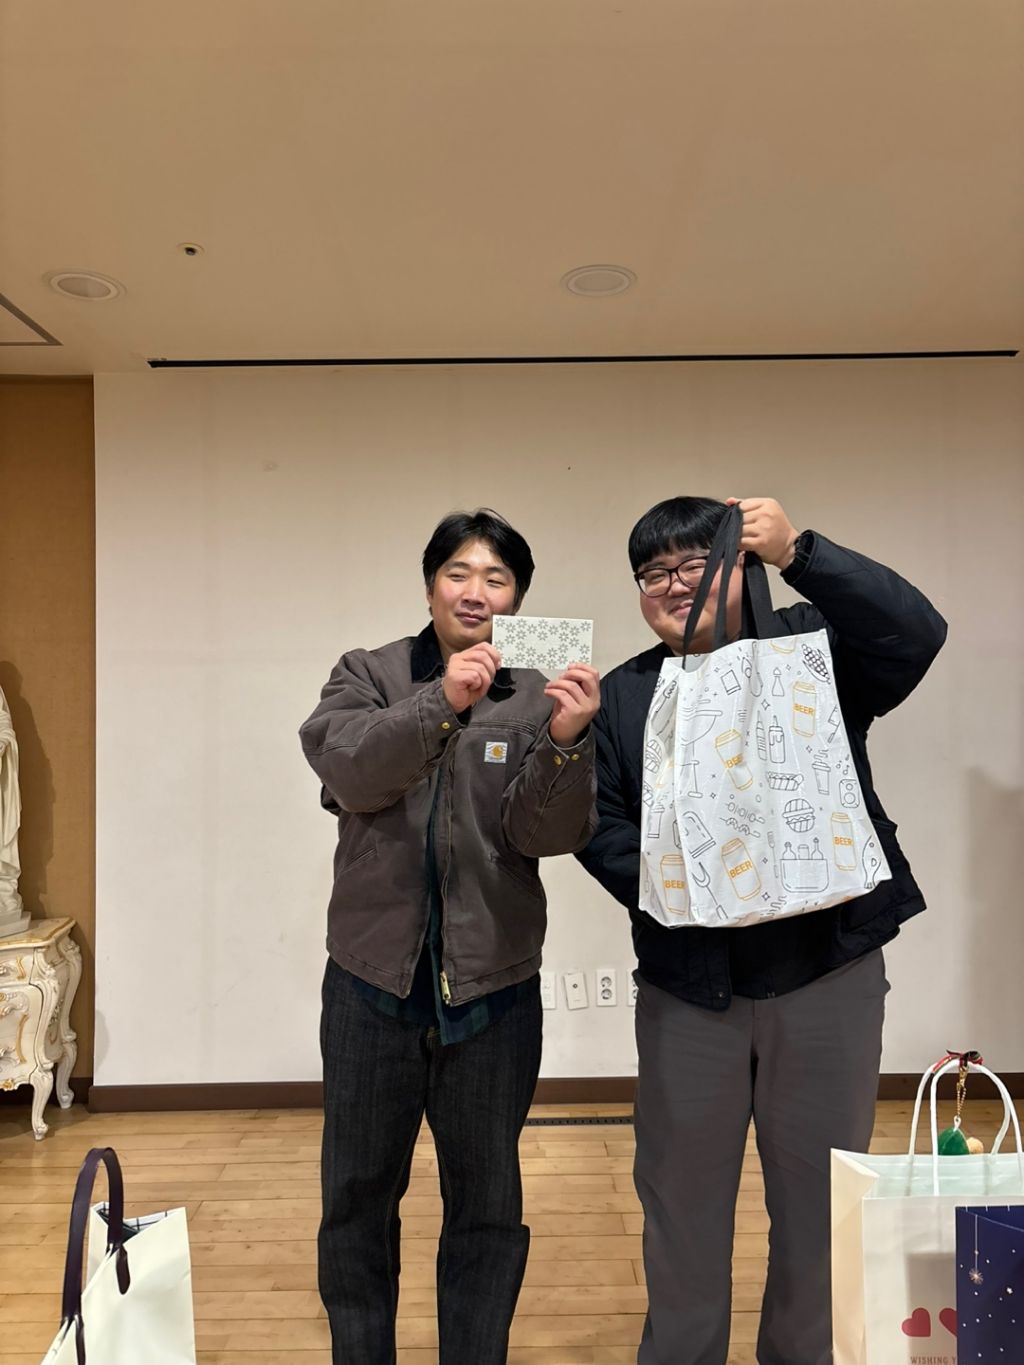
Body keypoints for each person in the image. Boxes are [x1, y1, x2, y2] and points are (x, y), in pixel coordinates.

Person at [576, 495, 946, 1365]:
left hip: (827, 974)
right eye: (653, 573)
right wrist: (684, 882)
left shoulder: (812, 651)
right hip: (689, 990)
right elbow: (596, 824)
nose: (675, 585)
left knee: (821, 1210)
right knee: (680, 1206)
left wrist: (801, 552)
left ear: (738, 565)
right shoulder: (626, 694)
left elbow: (914, 634)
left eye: (691, 563)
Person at [300, 508, 600, 1365]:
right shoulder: (368, 672)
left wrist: (568, 742)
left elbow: (546, 835)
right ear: (430, 585)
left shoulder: (538, 692)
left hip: (493, 988)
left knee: (488, 1203)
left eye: (496, 578)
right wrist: (443, 700)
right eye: (458, 573)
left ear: (517, 599)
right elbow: (351, 770)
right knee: (357, 1199)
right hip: (371, 983)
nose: (475, 591)